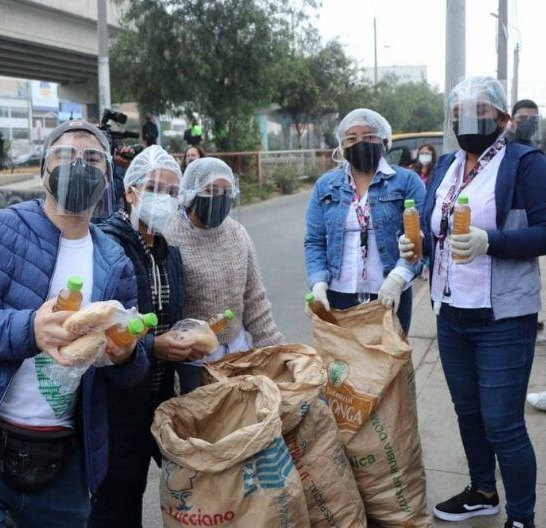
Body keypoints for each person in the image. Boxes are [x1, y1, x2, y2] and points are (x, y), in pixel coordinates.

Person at [0, 120, 149, 527]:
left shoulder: (115, 261)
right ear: (43, 171)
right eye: (65, 156)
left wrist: (125, 355)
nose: (79, 165)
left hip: (62, 461)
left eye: (92, 159)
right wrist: (27, 329)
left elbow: (132, 369)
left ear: (108, 177)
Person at [400, 76, 545, 528]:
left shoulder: (526, 163)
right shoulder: (445, 166)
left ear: (503, 118)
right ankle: (483, 491)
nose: (470, 119)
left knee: (503, 423)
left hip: (503, 315)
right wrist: (417, 247)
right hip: (450, 311)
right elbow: (435, 231)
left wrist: (492, 241)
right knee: (469, 413)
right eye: (461, 111)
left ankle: (521, 516)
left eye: (481, 110)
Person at [91, 145, 202, 527]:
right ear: (130, 191)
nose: (164, 198)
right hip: (113, 402)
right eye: (154, 187)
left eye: (172, 192)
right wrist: (154, 345)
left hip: (155, 396)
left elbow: (172, 318)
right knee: (113, 501)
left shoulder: (169, 253)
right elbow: (98, 328)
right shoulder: (107, 244)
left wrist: (187, 340)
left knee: (145, 490)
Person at [304, 108, 425, 336]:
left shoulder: (407, 181)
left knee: (388, 367)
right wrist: (318, 283)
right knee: (342, 367)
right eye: (351, 138)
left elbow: (420, 238)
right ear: (342, 146)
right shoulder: (326, 186)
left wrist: (399, 278)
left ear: (384, 141)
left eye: (369, 136)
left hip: (389, 294)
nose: (360, 143)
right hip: (338, 295)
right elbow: (314, 241)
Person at [167, 157, 283, 393]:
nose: (220, 197)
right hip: (194, 361)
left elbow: (255, 299)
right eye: (210, 190)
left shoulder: (237, 234)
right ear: (190, 194)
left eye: (227, 191)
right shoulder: (170, 238)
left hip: (238, 353)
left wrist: (276, 352)